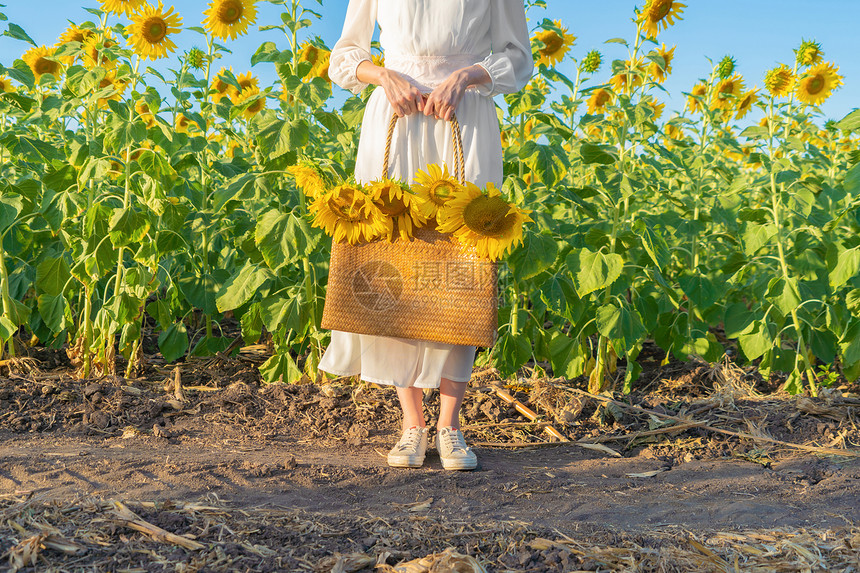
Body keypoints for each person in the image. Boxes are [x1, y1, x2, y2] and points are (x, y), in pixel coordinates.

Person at [318, 0, 532, 471]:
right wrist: (384, 76)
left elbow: (519, 57)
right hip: (397, 114)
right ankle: (411, 424)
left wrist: (468, 76)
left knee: (462, 265)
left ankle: (450, 426)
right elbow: (344, 56)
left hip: (465, 117)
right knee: (396, 263)